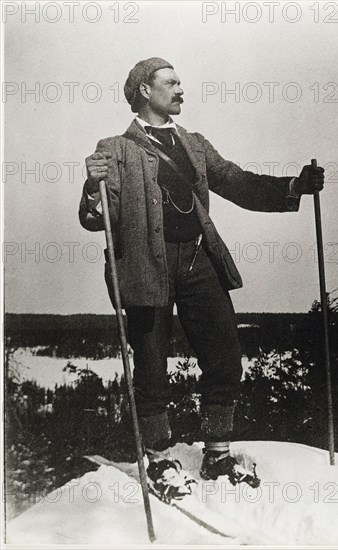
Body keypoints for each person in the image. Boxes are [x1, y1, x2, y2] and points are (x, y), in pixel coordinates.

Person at [79, 57, 324, 500]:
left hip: (197, 262)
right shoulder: (115, 148)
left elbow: (237, 182)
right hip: (144, 268)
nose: (180, 89)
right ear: (143, 92)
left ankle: (217, 453)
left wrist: (294, 186)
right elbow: (98, 219)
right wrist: (89, 187)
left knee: (226, 354)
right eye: (170, 83)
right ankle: (158, 459)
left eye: (179, 82)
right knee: (152, 366)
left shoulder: (193, 144)